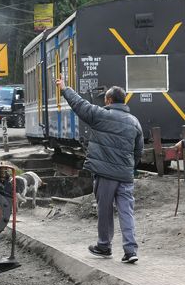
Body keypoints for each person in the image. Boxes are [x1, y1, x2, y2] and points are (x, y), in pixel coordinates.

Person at [55, 77, 143, 264]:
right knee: (127, 211)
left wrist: (64, 88)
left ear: (109, 100)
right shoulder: (134, 122)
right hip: (125, 175)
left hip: (106, 174)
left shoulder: (101, 115)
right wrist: (129, 167)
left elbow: (79, 104)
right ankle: (130, 250)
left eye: (106, 99)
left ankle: (104, 246)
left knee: (105, 210)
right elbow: (138, 151)